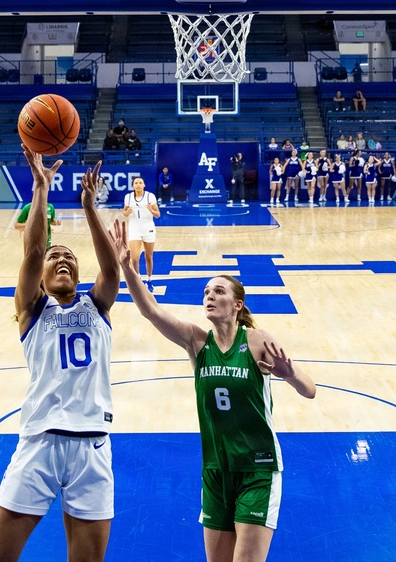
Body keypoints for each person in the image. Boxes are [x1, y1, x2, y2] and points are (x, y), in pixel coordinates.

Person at [107, 222, 316, 562]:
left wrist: (289, 374)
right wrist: (128, 268)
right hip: (216, 470)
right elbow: (150, 310)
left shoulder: (257, 340)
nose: (209, 296)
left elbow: (310, 390)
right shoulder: (196, 341)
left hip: (257, 469)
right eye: (206, 292)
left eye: (218, 291)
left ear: (237, 304)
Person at [0, 147, 119, 562]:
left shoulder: (97, 306)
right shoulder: (32, 309)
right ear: (42, 275)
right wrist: (41, 189)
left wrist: (89, 208)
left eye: (70, 258)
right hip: (39, 440)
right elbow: (34, 252)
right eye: (56, 257)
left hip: (93, 444)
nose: (62, 260)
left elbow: (111, 271)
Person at [123, 176, 160, 291]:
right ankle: (137, 279)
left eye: (140, 183)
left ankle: (149, 279)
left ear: (144, 185)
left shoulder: (150, 196)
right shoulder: (128, 197)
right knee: (134, 257)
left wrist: (151, 210)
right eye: (136, 183)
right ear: (133, 185)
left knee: (148, 256)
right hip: (134, 228)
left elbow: (157, 214)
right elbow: (125, 213)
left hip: (148, 228)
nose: (138, 185)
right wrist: (127, 212)